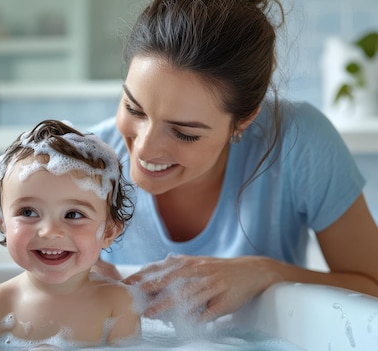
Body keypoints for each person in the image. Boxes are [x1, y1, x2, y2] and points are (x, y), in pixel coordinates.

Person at [90, 0, 378, 324]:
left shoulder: (299, 142)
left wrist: (264, 272)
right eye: (133, 109)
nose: (144, 148)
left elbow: (372, 287)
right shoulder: (89, 161)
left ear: (243, 121)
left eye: (184, 133)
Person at [0, 120, 141, 346]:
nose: (50, 231)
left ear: (108, 231)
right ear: (3, 223)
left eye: (73, 215)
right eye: (28, 212)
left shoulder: (117, 305)